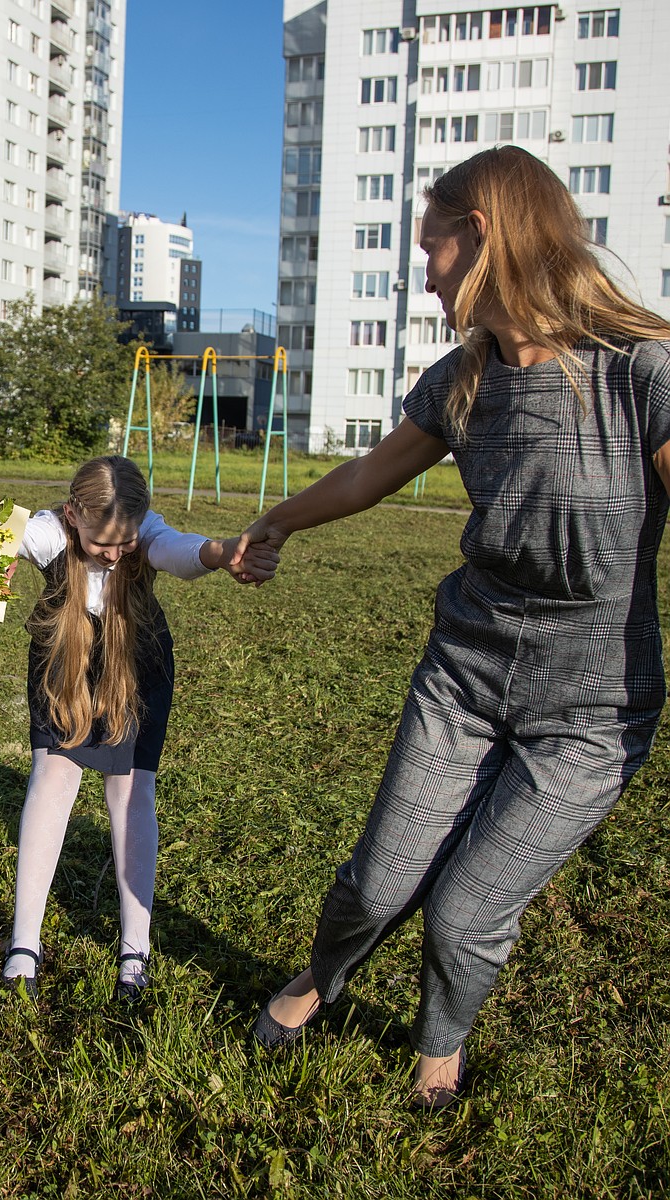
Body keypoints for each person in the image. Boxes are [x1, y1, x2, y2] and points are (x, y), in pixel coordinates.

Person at [234, 144, 670, 1109]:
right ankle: (319, 981)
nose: (423, 272)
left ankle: (441, 1045)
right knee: (377, 885)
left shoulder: (642, 373)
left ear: (481, 238)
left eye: (431, 249)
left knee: (466, 911)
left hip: (592, 710)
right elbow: (368, 474)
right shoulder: (462, 379)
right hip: (465, 675)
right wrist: (275, 522)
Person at [0, 456, 277, 1004]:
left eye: (124, 542)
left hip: (138, 662)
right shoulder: (47, 533)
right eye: (103, 542)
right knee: (51, 782)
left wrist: (221, 553)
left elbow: (178, 550)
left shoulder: (142, 533)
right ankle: (23, 946)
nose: (114, 553)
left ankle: (134, 950)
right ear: (73, 515)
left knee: (131, 793)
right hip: (64, 663)